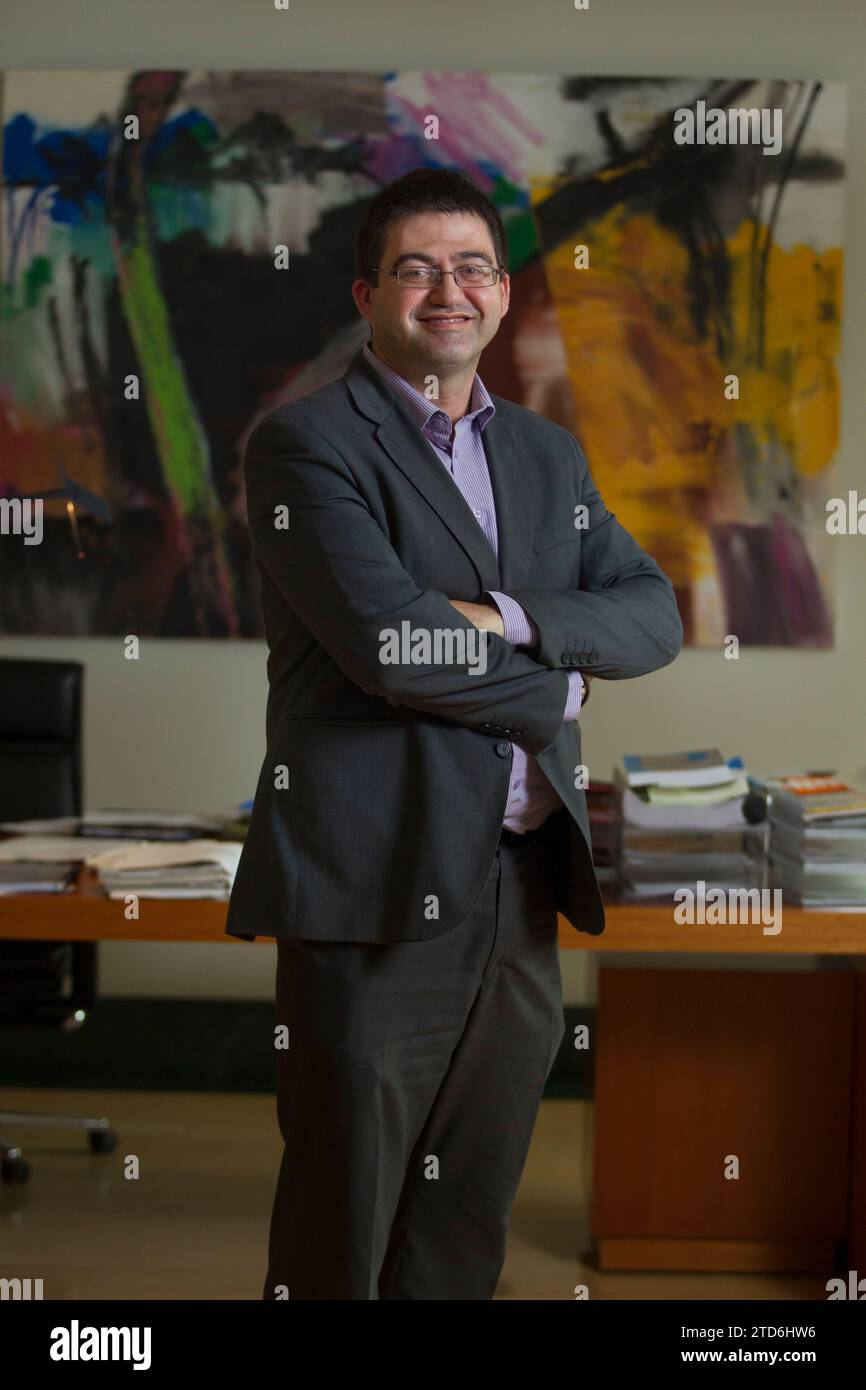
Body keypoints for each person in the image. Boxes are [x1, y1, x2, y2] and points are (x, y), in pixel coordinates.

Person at [225, 167, 683, 1299]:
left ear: (503, 292)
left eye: (472, 265)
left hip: (519, 890)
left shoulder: (543, 454)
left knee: (461, 1223)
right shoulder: (305, 447)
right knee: (347, 1225)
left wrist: (510, 617)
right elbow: (389, 645)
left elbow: (653, 612)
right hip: (375, 891)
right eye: (417, 267)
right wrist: (558, 687)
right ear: (366, 294)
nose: (449, 289)